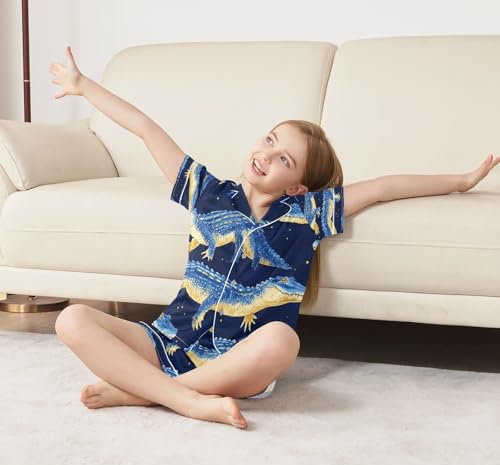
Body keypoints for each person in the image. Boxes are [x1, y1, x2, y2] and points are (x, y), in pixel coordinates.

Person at [49, 46, 499, 430]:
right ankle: (181, 398)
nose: (266, 154)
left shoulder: (307, 215)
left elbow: (383, 187)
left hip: (238, 361)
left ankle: (146, 393)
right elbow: (146, 128)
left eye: (284, 159)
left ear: (298, 187)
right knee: (71, 320)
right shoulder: (207, 192)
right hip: (168, 340)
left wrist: (461, 181)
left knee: (284, 340)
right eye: (269, 140)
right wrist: (84, 86)